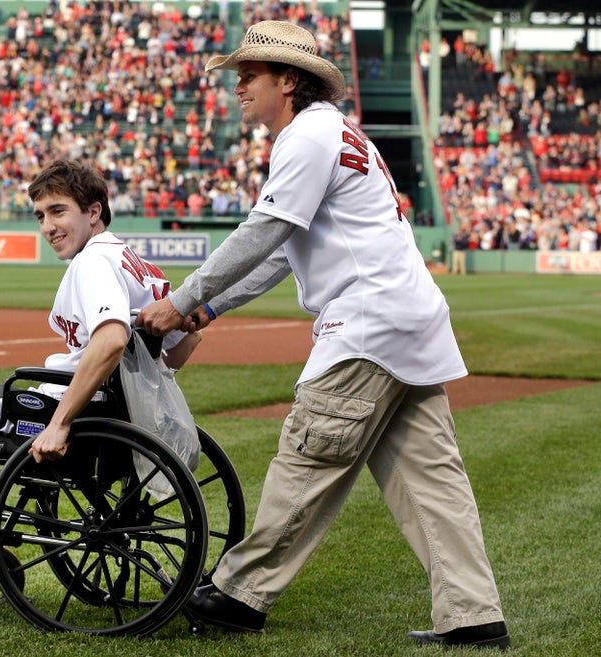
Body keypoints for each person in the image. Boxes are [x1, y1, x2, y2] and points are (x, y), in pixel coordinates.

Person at [136, 21, 510, 650]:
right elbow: (285, 253)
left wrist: (182, 301)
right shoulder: (335, 132)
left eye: (248, 75)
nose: (238, 88)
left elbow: (262, 233)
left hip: (365, 324)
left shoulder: (305, 135)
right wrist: (211, 309)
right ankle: (473, 615)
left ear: (289, 80)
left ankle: (238, 595)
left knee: (308, 458)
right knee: (433, 482)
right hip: (410, 323)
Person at [25, 159, 200, 463]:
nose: (47, 227)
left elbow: (112, 340)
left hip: (87, 408)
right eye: (40, 216)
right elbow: (188, 339)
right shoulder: (129, 258)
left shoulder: (92, 261)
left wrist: (59, 424)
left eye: (58, 211)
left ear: (93, 212)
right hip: (117, 409)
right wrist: (140, 392)